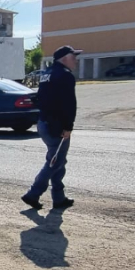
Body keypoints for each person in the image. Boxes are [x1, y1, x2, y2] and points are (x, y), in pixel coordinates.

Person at [22, 45, 79, 210]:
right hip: (57, 127)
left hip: (44, 123)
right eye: (73, 56)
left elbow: (39, 98)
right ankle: (33, 194)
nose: (75, 60)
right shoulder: (65, 76)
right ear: (64, 58)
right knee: (54, 162)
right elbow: (69, 104)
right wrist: (68, 126)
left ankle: (59, 198)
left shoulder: (47, 74)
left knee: (58, 161)